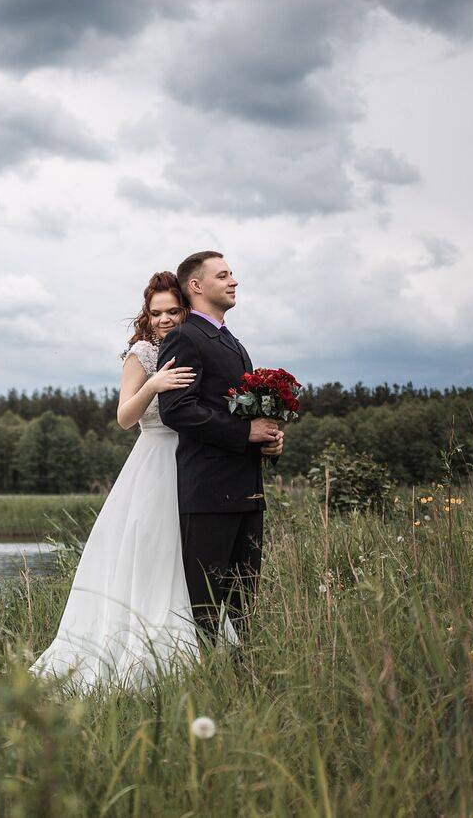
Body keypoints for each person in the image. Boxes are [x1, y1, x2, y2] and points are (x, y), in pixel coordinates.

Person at [30, 271, 206, 689]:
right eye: (155, 312)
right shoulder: (142, 354)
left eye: (172, 311)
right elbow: (125, 416)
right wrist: (155, 384)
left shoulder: (193, 348)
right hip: (153, 462)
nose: (163, 320)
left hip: (191, 462)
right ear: (146, 315)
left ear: (186, 310)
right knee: (151, 554)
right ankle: (138, 655)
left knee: (183, 557)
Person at [157, 250, 284, 643]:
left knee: (245, 603)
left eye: (232, 274)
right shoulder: (185, 336)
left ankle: (245, 677)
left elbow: (235, 409)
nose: (234, 281)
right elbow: (176, 410)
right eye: (224, 275)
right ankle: (213, 677)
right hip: (209, 492)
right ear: (196, 286)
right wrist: (244, 434)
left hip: (246, 488)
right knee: (209, 605)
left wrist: (267, 440)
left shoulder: (229, 339)